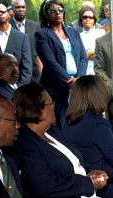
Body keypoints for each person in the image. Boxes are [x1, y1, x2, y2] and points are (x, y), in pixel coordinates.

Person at [35, 0, 88, 129]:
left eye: (60, 10)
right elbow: (50, 62)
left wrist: (79, 79)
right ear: (46, 15)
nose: (57, 13)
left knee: (80, 125)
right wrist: (70, 81)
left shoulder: (73, 32)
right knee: (62, 126)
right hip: (56, 88)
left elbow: (83, 57)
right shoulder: (41, 35)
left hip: (76, 86)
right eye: (52, 11)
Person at [0, 3, 32, 87]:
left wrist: (19, 88)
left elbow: (27, 66)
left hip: (17, 86)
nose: (0, 14)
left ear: (8, 14)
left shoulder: (22, 37)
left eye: (3, 11)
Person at [9, 0, 42, 83]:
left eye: (23, 7)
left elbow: (38, 49)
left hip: (34, 73)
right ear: (12, 9)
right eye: (17, 7)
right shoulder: (7, 26)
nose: (21, 9)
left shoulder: (35, 26)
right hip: (14, 72)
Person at [78, 6, 105, 75]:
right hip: (83, 72)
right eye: (85, 17)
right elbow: (78, 57)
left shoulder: (101, 33)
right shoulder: (78, 36)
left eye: (90, 17)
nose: (88, 19)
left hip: (98, 72)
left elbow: (101, 56)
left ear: (94, 20)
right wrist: (92, 51)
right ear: (81, 20)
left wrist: (85, 55)